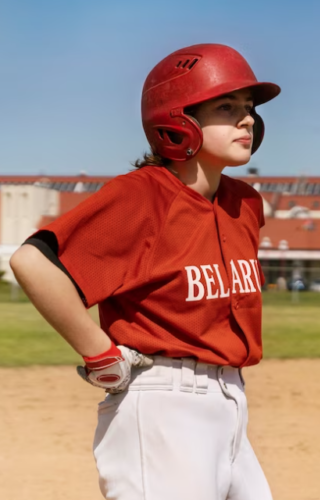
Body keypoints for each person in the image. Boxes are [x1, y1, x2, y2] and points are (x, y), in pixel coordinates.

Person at [10, 43, 280, 500]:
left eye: (249, 108)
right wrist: (100, 354)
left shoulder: (245, 204)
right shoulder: (143, 196)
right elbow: (33, 262)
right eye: (226, 106)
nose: (247, 119)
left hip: (232, 404)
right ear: (178, 122)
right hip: (163, 405)